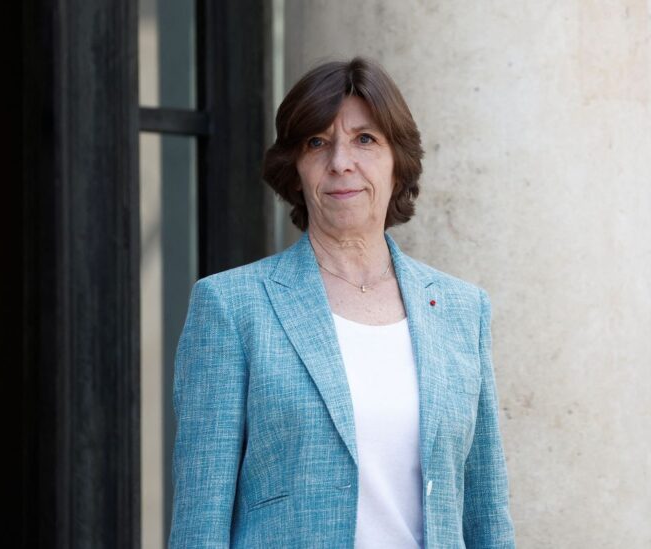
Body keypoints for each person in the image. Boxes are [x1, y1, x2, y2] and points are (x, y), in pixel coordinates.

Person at [168, 57, 515, 548]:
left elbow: (486, 513)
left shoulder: (462, 310)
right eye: (317, 142)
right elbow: (200, 523)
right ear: (296, 167)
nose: (340, 162)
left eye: (365, 139)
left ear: (398, 161)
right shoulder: (231, 307)